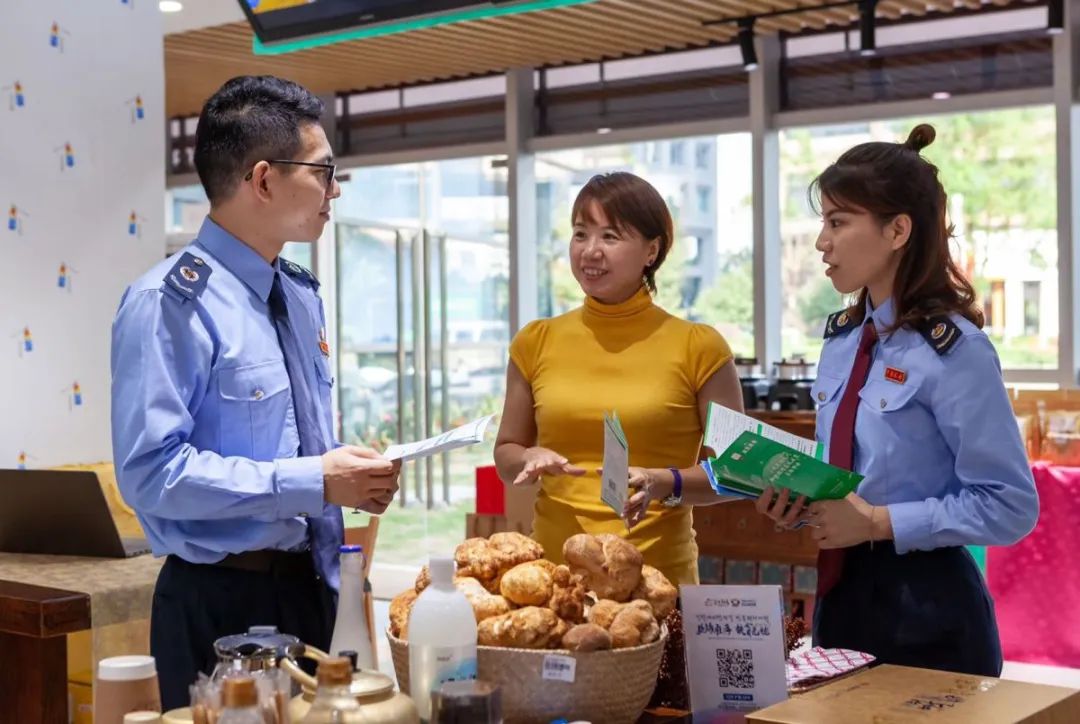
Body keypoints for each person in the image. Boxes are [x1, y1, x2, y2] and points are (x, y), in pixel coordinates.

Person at [111, 75, 401, 708]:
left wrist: (348, 472)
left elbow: (294, 443)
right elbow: (151, 473)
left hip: (311, 587)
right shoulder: (168, 303)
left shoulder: (297, 294)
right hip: (219, 600)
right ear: (264, 179)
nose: (335, 189)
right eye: (324, 172)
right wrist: (315, 480)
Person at [756, 124, 1039, 676]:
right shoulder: (841, 341)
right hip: (841, 601)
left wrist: (881, 522)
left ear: (897, 230)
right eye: (823, 224)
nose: (822, 243)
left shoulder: (954, 350)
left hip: (929, 613)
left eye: (838, 223)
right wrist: (797, 501)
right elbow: (845, 480)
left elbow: (1011, 505)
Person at [493, 171, 744, 586]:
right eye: (580, 234)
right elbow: (506, 453)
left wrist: (667, 482)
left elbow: (737, 473)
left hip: (658, 584)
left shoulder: (699, 347)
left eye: (610, 236)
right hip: (558, 582)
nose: (590, 251)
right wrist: (528, 458)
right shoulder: (536, 341)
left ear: (652, 250)